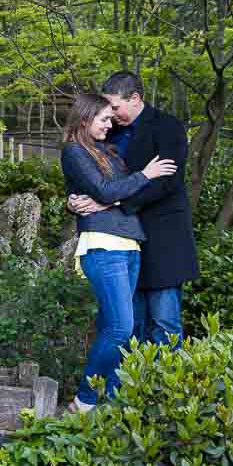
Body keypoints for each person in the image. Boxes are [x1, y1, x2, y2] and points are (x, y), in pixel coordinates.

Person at [60, 93, 176, 413]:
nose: (109, 125)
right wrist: (145, 175)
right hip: (103, 245)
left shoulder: (107, 152)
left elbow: (116, 194)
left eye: (110, 119)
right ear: (85, 119)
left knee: (124, 327)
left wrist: (111, 196)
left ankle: (109, 399)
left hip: (129, 244)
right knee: (120, 328)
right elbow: (107, 190)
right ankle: (85, 399)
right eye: (103, 119)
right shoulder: (74, 151)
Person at [69, 71, 200, 347]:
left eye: (115, 107)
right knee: (127, 324)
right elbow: (90, 176)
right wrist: (74, 201)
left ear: (136, 98)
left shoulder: (168, 127)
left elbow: (167, 182)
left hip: (163, 237)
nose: (111, 114)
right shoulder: (107, 131)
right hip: (120, 240)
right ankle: (129, 387)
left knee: (165, 322)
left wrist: (113, 201)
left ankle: (166, 388)